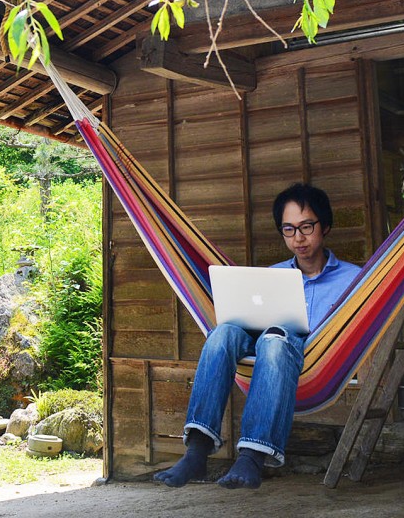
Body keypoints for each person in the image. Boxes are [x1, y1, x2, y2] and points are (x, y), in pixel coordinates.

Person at [154, 183, 361, 490]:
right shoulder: (272, 276)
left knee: (275, 340)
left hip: (312, 357)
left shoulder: (354, 279)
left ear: (325, 226)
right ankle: (197, 450)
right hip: (264, 345)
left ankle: (251, 457)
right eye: (288, 229)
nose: (298, 238)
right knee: (222, 333)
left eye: (306, 227)